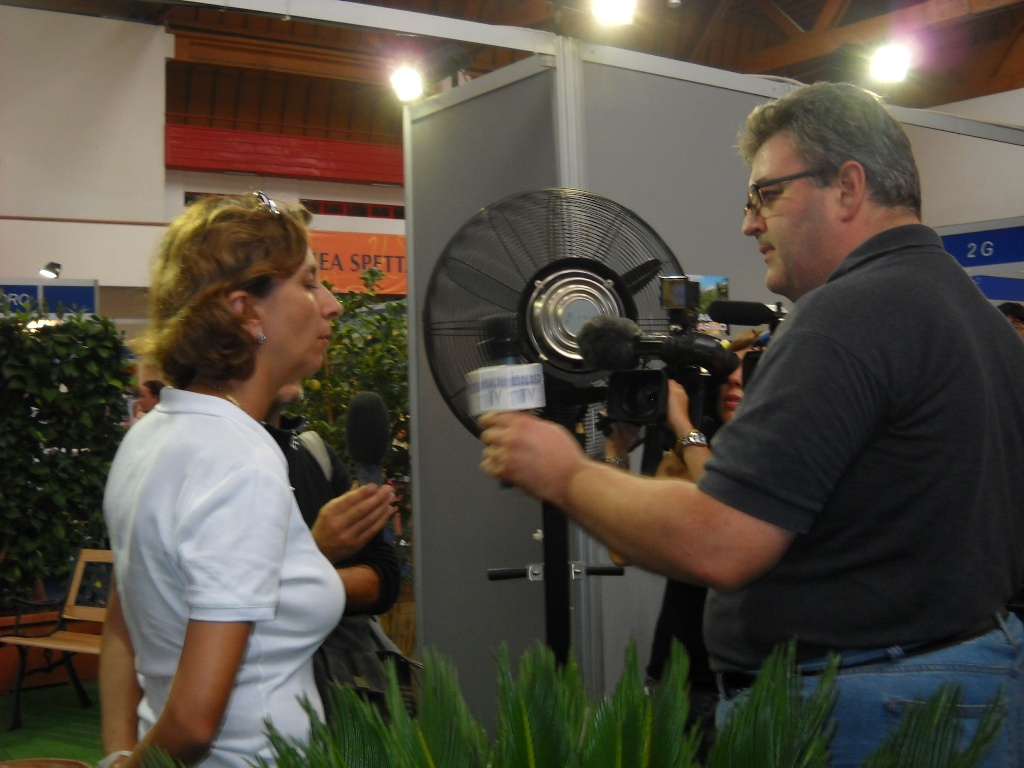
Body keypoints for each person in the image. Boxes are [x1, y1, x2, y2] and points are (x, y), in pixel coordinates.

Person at [479, 82, 1024, 768]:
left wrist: (564, 472)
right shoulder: (978, 319)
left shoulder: (847, 315)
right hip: (956, 689)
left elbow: (722, 542)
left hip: (860, 711)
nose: (749, 223)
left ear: (848, 187)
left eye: (766, 195)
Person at [99, 192, 395, 768]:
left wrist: (118, 754)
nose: (332, 305)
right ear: (246, 312)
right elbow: (193, 723)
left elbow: (127, 622)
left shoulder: (152, 435)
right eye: (309, 283)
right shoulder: (240, 458)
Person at [262, 384, 411, 716]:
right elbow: (233, 599)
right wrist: (318, 553)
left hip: (344, 702)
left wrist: (295, 578)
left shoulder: (315, 454)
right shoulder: (215, 461)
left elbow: (383, 581)